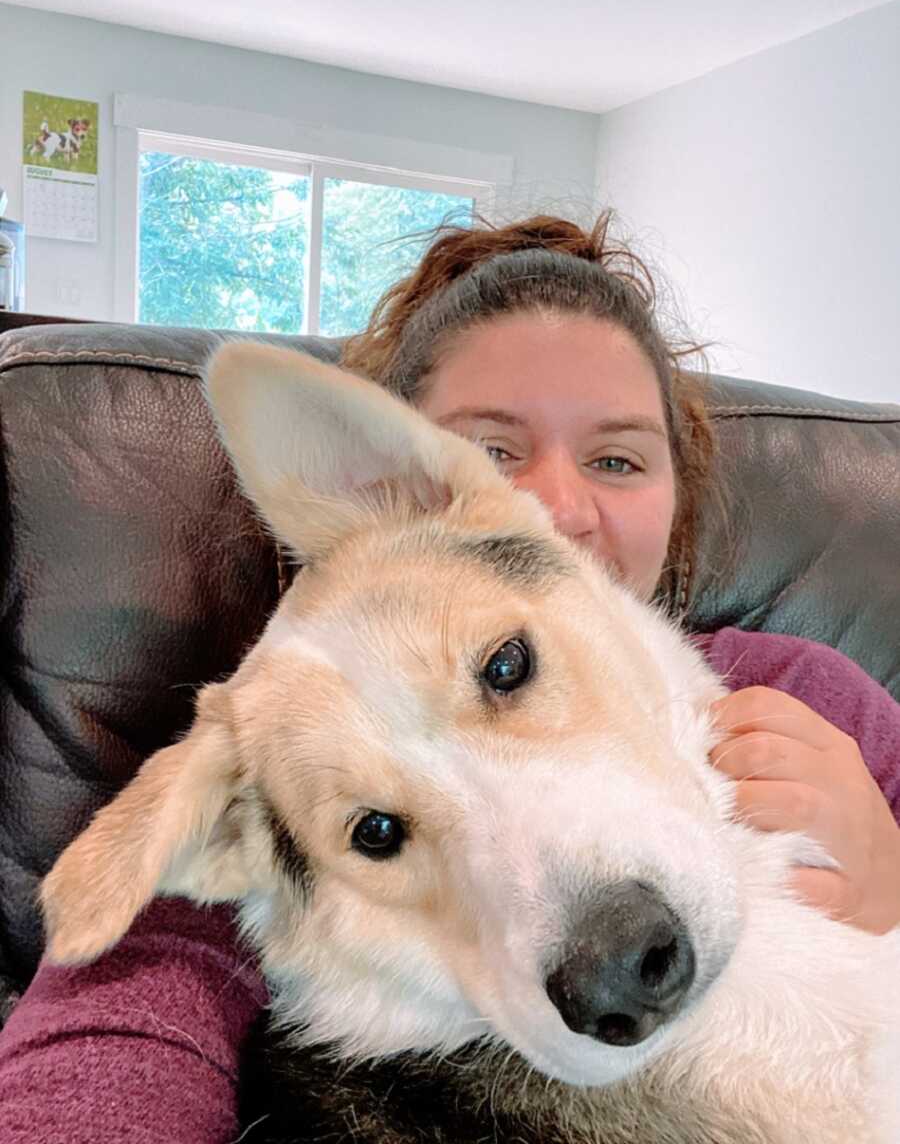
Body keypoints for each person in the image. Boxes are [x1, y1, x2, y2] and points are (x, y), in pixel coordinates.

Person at [1, 212, 898, 1144]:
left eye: (617, 458)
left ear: (680, 484)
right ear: (385, 473)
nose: (552, 505)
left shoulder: (810, 685)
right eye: (377, 831)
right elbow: (108, 1038)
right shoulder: (272, 786)